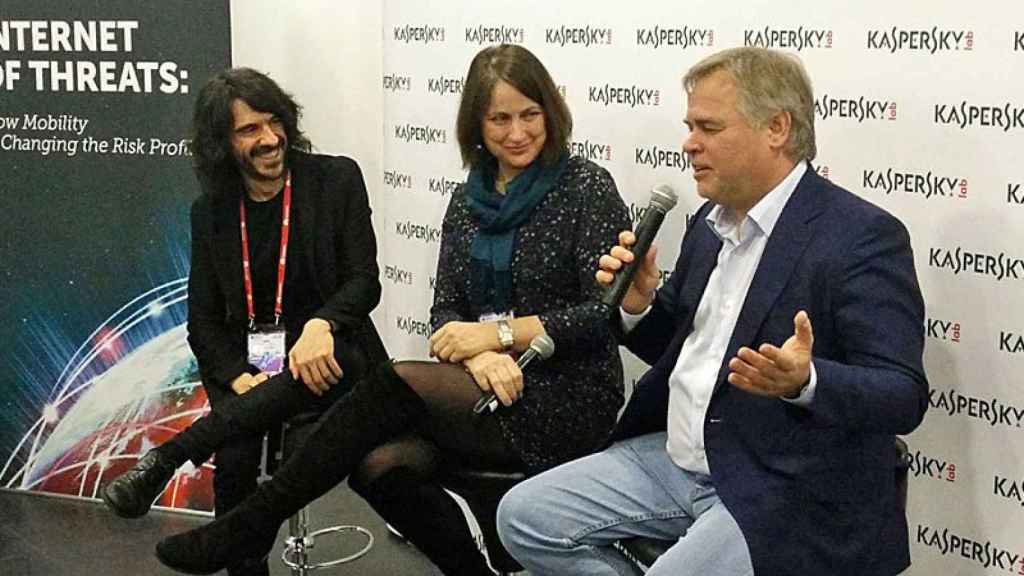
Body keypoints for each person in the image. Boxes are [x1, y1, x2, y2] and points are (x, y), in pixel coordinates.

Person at [126, 44, 629, 576]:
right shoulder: (467, 201)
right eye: (499, 118)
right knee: (377, 467)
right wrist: (479, 357)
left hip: (565, 393)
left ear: (551, 112)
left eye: (530, 114)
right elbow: (446, 312)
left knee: (394, 379)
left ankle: (242, 522)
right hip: (485, 386)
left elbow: (602, 315)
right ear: (476, 125)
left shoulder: (586, 187)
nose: (517, 132)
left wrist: (498, 337)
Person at [497, 47, 929, 576]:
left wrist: (805, 380)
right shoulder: (709, 221)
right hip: (677, 457)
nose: (690, 143)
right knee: (523, 517)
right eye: (690, 126)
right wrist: (638, 307)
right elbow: (678, 345)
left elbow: (902, 395)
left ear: (776, 127)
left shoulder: (860, 237)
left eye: (709, 127)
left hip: (783, 479)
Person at [100, 68, 386, 576]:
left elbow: (364, 281)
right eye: (249, 130)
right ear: (222, 144)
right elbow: (203, 322)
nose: (269, 139)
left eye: (274, 122)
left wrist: (322, 324)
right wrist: (237, 377)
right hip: (250, 368)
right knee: (234, 459)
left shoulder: (335, 179)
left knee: (320, 366)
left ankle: (167, 458)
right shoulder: (210, 212)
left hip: (334, 356)